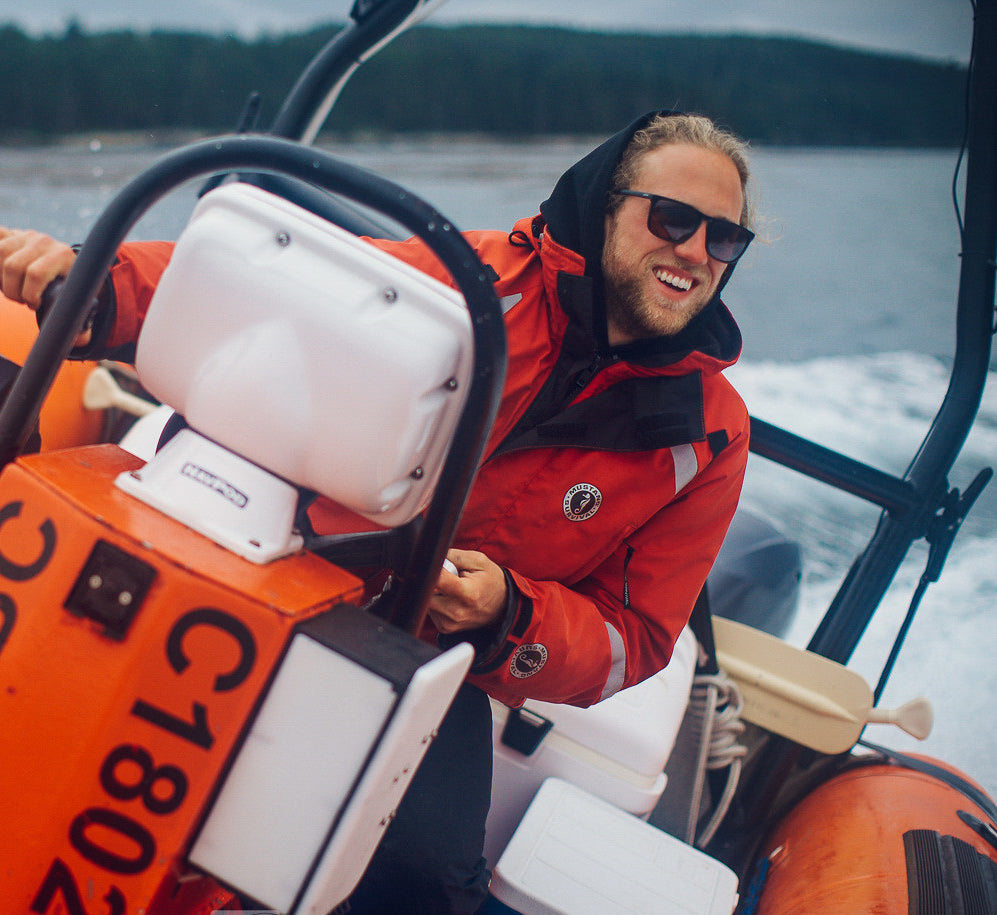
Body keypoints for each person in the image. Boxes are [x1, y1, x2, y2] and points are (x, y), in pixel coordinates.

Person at [0, 110, 755, 912]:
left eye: (723, 240)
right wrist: (94, 288)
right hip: (283, 572)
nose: (694, 251)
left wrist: (508, 612)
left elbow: (630, 639)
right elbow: (266, 295)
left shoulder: (707, 435)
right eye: (673, 219)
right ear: (607, 204)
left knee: (425, 879)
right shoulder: (469, 282)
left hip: (427, 657)